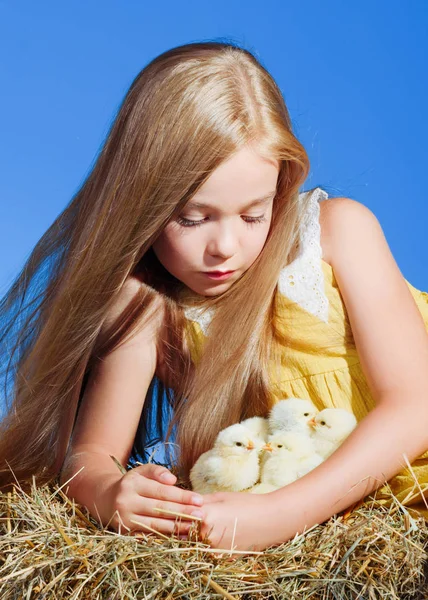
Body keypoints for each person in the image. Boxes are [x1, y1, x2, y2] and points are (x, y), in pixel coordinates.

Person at [1, 41, 428, 553]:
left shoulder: (336, 233)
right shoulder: (149, 306)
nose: (224, 247)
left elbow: (415, 407)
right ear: (143, 205)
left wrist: (280, 514)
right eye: (192, 218)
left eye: (253, 214)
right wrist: (111, 493)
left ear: (283, 182)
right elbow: (92, 452)